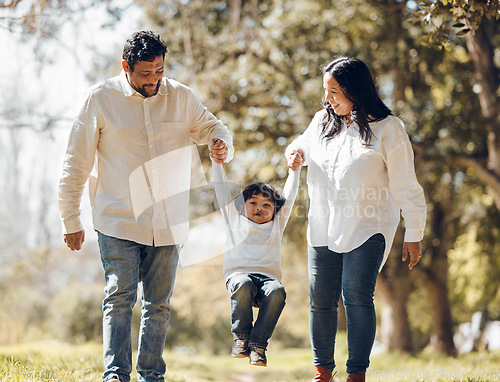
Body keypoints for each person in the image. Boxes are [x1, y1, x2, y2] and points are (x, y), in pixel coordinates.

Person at [58, 31, 233, 382]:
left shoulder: (181, 96)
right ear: (126, 67)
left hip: (168, 221)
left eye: (159, 71)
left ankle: (151, 375)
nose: (154, 80)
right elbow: (75, 163)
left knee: (159, 304)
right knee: (119, 295)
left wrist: (221, 143)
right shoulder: (100, 99)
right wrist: (70, 218)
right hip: (117, 218)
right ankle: (116, 375)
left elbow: (213, 126)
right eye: (146, 73)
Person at [285, 57, 426, 382]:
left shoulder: (388, 128)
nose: (328, 99)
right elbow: (300, 145)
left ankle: (356, 374)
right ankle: (322, 372)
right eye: (327, 92)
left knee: (356, 292)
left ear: (355, 90)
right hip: (323, 224)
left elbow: (406, 182)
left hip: (369, 224)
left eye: (334, 92)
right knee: (321, 299)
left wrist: (414, 230)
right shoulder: (322, 121)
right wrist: (295, 154)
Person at [211, 150, 303, 367]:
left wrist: (295, 171)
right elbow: (221, 190)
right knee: (243, 283)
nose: (260, 207)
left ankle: (258, 345)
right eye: (253, 203)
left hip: (267, 281)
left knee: (278, 291)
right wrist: (217, 164)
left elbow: (290, 194)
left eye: (267, 205)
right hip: (238, 277)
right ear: (242, 206)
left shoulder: (276, 226)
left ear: (275, 211)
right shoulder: (234, 220)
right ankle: (241, 339)